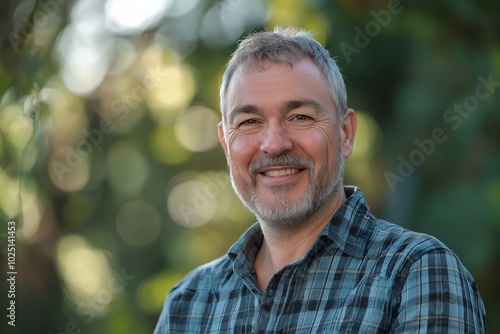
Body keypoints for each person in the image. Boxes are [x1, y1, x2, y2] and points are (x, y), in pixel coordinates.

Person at [154, 27, 486, 333]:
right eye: (249, 121)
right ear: (227, 145)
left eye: (300, 117)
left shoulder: (416, 274)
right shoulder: (188, 305)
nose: (274, 144)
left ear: (345, 133)